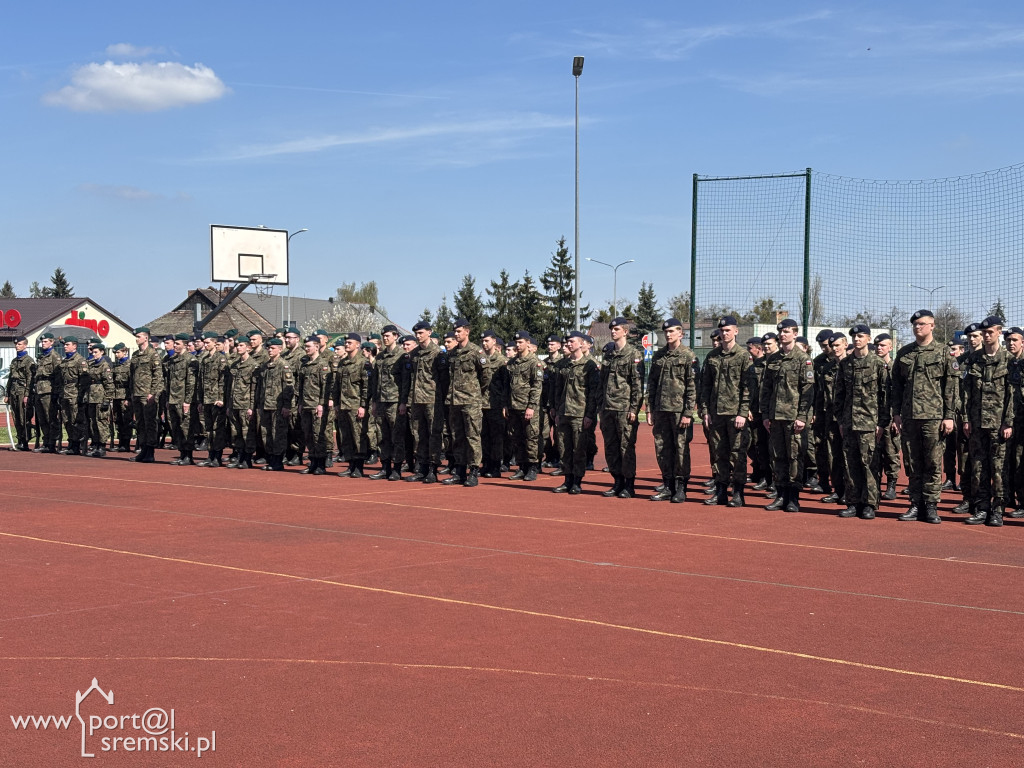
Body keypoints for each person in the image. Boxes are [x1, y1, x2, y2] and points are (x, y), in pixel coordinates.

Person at [890, 310, 957, 524]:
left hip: (934, 417)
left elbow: (951, 388)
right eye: (915, 324)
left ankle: (931, 506)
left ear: (932, 326)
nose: (917, 327)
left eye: (921, 324)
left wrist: (949, 416)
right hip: (909, 417)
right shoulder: (904, 353)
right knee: (912, 461)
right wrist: (896, 414)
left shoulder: (944, 353)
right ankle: (915, 503)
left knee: (933, 462)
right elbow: (897, 387)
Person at [962, 316, 1014, 526]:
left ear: (999, 332)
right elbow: (965, 393)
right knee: (978, 467)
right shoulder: (974, 359)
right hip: (977, 423)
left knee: (999, 469)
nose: (986, 335)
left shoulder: (1010, 360)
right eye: (984, 333)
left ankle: (998, 510)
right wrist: (966, 419)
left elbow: (1013, 395)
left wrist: (1008, 422)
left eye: (990, 332)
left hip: (999, 424)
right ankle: (982, 508)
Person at [834, 325, 889, 519]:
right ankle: (853, 501)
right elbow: (839, 394)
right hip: (849, 422)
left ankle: (870, 503)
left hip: (869, 422)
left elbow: (885, 396)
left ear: (868, 338)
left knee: (870, 464)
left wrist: (882, 423)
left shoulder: (877, 363)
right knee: (850, 464)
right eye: (854, 337)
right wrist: (840, 420)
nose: (857, 339)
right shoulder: (846, 364)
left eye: (860, 336)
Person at [760, 319, 815, 513]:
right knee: (778, 457)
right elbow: (766, 389)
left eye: (786, 331)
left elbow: (808, 391)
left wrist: (801, 416)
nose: (782, 334)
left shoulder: (803, 359)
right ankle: (780, 495)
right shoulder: (773, 359)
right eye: (780, 331)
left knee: (795, 457)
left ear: (794, 333)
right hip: (775, 417)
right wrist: (765, 415)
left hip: (794, 418)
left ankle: (793, 498)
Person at [699, 315, 752, 507]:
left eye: (728, 330)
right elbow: (705, 387)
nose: (724, 333)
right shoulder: (712, 357)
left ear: (736, 331)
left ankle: (738, 493)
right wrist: (705, 411)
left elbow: (748, 387)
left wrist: (743, 413)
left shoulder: (744, 356)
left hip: (735, 414)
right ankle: (720, 491)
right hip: (716, 414)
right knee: (718, 454)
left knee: (737, 454)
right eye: (721, 331)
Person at [647, 318, 698, 503]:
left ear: (681, 334)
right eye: (666, 332)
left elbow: (692, 387)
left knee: (681, 448)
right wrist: (650, 409)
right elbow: (651, 384)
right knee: (662, 448)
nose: (668, 335)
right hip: (661, 410)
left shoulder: (688, 356)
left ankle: (681, 487)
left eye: (672, 331)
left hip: (678, 411)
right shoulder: (659, 356)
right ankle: (667, 485)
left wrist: (687, 413)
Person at [551, 331, 600, 495]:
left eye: (572, 341)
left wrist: (589, 415)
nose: (568, 344)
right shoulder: (561, 365)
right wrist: (556, 410)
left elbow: (593, 393)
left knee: (578, 450)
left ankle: (577, 482)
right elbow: (557, 390)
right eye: (567, 342)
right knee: (564, 448)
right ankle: (567, 480)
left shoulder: (589, 365)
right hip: (564, 412)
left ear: (580, 343)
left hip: (580, 414)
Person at [443, 317, 488, 487]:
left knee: (473, 436)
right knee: (457, 437)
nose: (456, 334)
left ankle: (474, 471)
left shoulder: (476, 352)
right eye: (455, 331)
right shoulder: (452, 354)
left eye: (459, 331)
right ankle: (460, 471)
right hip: (455, 401)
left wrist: (475, 392)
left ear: (467, 332)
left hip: (471, 401)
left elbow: (486, 376)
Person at [370, 324, 410, 481]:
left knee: (397, 435)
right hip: (380, 401)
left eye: (388, 336)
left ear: (395, 336)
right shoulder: (379, 357)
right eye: (384, 336)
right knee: (382, 435)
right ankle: (385, 466)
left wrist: (403, 402)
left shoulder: (402, 356)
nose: (385, 338)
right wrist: (374, 401)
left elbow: (405, 381)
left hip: (394, 401)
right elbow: (375, 381)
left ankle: (397, 467)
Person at [506, 331, 545, 482]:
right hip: (513, 406)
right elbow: (507, 387)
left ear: (528, 343)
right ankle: (522, 467)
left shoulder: (534, 363)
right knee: (517, 438)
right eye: (516, 342)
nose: (518, 345)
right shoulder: (511, 363)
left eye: (520, 342)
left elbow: (536, 386)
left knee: (531, 438)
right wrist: (506, 405)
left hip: (528, 407)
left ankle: (533, 467)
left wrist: (532, 406)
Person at [406, 322, 443, 483]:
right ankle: (421, 468)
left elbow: (443, 379)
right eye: (416, 333)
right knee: (419, 435)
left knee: (433, 435)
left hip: (432, 400)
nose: (418, 335)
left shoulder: (438, 353)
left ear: (429, 332)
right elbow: (410, 379)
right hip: (416, 400)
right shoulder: (414, 354)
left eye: (421, 332)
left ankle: (433, 469)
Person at [255, 337, 295, 472]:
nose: (270, 350)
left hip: (278, 407)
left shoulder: (284, 366)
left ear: (280, 349)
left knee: (278, 434)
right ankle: (271, 458)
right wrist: (259, 405)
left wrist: (286, 406)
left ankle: (278, 460)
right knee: (266, 434)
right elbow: (261, 387)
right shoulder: (265, 366)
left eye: (273, 348)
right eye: (268, 348)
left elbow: (289, 388)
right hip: (265, 405)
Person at [334, 333, 369, 478]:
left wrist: (363, 406)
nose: (346, 345)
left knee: (358, 436)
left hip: (355, 405)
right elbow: (337, 385)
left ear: (358, 345)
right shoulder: (342, 363)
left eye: (349, 342)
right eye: (345, 343)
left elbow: (366, 387)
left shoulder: (363, 362)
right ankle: (350, 465)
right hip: (343, 405)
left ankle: (359, 467)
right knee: (346, 436)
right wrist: (336, 403)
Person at [297, 335, 333, 475]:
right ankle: (312, 462)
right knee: (308, 435)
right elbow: (300, 386)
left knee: (319, 435)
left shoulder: (323, 365)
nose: (306, 349)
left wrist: (321, 404)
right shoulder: (305, 365)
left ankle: (321, 464)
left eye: (308, 346)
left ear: (317, 347)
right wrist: (300, 403)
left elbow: (326, 387)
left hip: (317, 405)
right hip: (306, 405)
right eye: (305, 346)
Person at [873, 333, 901, 500]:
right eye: (877, 345)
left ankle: (891, 485)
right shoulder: (871, 366)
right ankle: (874, 485)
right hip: (873, 416)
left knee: (891, 452)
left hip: (890, 417)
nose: (879, 348)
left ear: (890, 347)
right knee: (874, 453)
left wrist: (896, 417)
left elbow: (898, 394)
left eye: (883, 345)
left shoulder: (895, 368)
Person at [128, 327, 163, 463]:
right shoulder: (136, 355)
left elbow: (158, 376)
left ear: (146, 338)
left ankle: (150, 451)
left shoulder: (153, 354)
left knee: (150, 423)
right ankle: (143, 450)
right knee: (140, 423)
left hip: (147, 395)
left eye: (138, 336)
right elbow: (132, 376)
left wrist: (153, 393)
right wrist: (131, 393)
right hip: (137, 394)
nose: (137, 339)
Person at [165, 334, 199, 466]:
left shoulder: (190, 360)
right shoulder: (173, 360)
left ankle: (188, 455)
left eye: (178, 344)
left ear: (185, 345)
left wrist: (188, 401)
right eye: (175, 344)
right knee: (176, 428)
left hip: (183, 399)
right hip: (173, 398)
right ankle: (181, 453)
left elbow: (191, 383)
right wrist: (168, 398)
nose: (175, 346)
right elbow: (169, 381)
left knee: (186, 428)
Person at [480, 330, 509, 478]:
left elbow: (506, 386)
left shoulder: (502, 361)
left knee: (496, 437)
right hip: (481, 403)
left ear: (494, 342)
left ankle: (496, 466)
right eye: (483, 341)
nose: (484, 344)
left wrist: (505, 404)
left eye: (487, 341)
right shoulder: (480, 359)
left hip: (496, 404)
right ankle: (486, 464)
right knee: (483, 436)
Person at [227, 336, 259, 468]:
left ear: (248, 348)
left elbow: (254, 389)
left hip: (246, 405)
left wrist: (251, 406)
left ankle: (247, 458)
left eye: (241, 345)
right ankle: (240, 456)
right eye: (237, 345)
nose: (238, 348)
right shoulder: (235, 365)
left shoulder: (253, 365)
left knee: (247, 433)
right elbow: (230, 387)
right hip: (234, 404)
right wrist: (229, 405)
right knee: (236, 432)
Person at [57, 335, 90, 455]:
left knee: (76, 420)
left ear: (74, 346)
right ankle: (71, 442)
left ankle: (78, 443)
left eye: (67, 344)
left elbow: (85, 381)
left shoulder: (80, 360)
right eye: (64, 345)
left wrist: (81, 396)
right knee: (66, 419)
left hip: (75, 394)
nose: (65, 347)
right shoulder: (65, 361)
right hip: (65, 393)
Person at [4, 336, 35, 451]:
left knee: (23, 417)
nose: (17, 346)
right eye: (16, 344)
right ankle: (20, 440)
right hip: (13, 391)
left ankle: (25, 442)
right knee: (16, 417)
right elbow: (10, 378)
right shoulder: (14, 361)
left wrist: (27, 395)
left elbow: (29, 379)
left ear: (25, 345)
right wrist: (7, 394)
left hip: (22, 392)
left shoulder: (29, 361)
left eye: (19, 344)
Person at [84, 343, 115, 457]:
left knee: (101, 421)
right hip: (92, 397)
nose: (94, 354)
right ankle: (96, 444)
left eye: (96, 352)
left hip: (101, 397)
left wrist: (107, 399)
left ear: (102, 352)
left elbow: (109, 385)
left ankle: (102, 446)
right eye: (92, 352)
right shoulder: (92, 365)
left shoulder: (104, 366)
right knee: (93, 422)